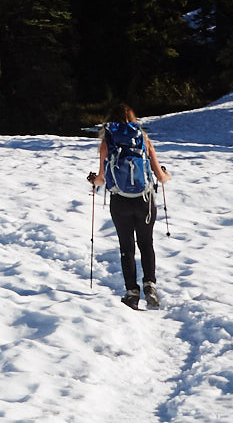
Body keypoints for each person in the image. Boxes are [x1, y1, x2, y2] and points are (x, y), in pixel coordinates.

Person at [86, 101, 169, 309]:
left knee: (126, 247)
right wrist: (166, 174)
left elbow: (101, 179)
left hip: (120, 200)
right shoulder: (143, 139)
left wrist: (93, 179)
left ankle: (132, 292)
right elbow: (160, 176)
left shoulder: (108, 142)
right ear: (134, 120)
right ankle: (150, 285)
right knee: (146, 243)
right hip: (144, 199)